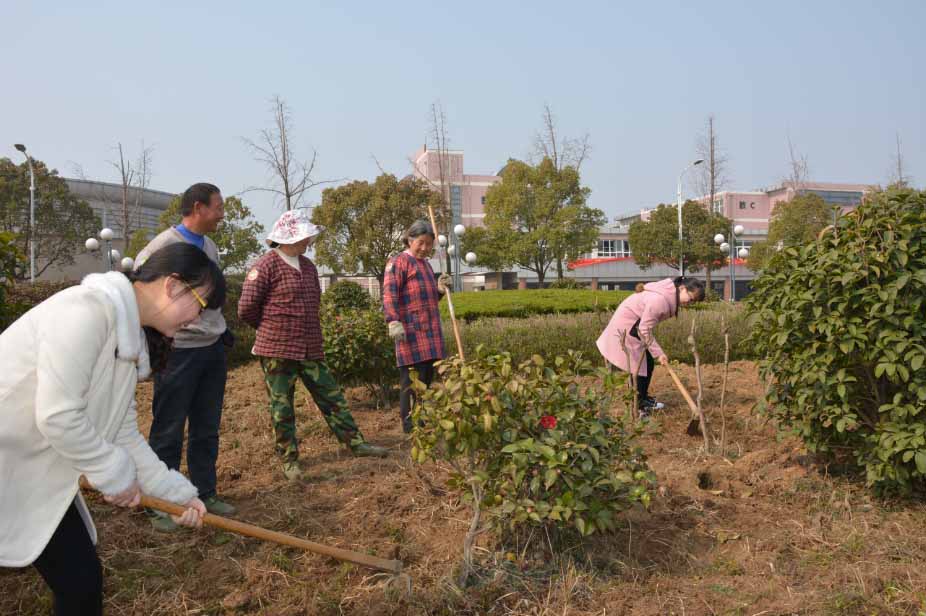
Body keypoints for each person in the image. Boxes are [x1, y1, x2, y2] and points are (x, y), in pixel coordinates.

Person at [0, 243, 224, 615]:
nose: (197, 320)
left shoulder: (127, 343)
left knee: (81, 583)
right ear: (173, 285)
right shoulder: (85, 311)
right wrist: (113, 473)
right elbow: (58, 416)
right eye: (201, 305)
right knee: (79, 583)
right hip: (11, 462)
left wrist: (175, 494)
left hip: (27, 472)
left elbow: (121, 432)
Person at [238, 210, 388, 482]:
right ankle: (289, 458)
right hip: (277, 350)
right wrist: (271, 327)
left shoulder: (308, 267)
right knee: (282, 406)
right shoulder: (266, 265)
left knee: (331, 396)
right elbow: (246, 308)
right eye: (305, 237)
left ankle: (355, 443)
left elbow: (315, 301)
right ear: (290, 237)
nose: (309, 241)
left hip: (309, 346)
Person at [135, 182, 236, 530]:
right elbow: (144, 289)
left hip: (211, 347)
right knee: (169, 427)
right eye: (218, 207)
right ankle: (160, 503)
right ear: (198, 208)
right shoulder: (162, 247)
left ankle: (205, 492)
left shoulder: (210, 246)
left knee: (207, 426)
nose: (222, 214)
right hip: (178, 352)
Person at [596, 277, 706, 417]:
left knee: (646, 364)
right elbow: (644, 330)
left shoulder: (666, 296)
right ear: (682, 288)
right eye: (690, 299)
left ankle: (642, 399)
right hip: (627, 329)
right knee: (639, 368)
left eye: (693, 302)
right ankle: (638, 407)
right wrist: (659, 354)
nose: (689, 303)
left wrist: (657, 353)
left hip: (633, 328)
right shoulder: (660, 301)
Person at [382, 220, 452, 433]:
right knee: (410, 381)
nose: (424, 248)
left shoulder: (426, 265)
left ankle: (420, 420)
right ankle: (409, 425)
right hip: (410, 332)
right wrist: (393, 320)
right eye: (421, 242)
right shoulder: (398, 262)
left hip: (430, 331)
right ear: (410, 239)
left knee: (426, 380)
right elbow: (389, 294)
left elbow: (428, 299)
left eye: (429, 244)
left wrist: (439, 290)